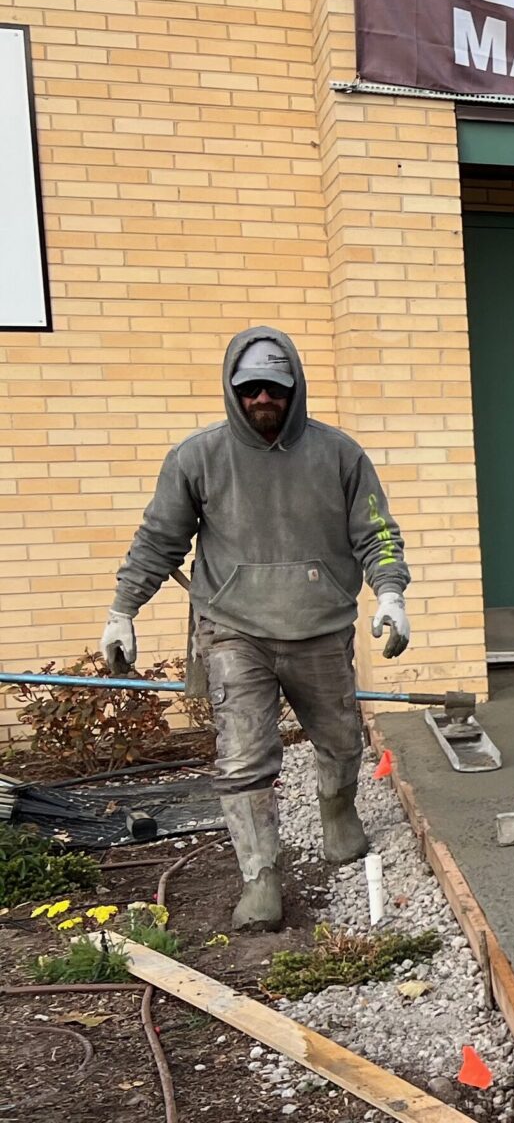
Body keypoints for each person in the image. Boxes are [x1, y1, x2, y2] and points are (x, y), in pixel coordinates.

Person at [103, 328, 411, 931]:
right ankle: (261, 878)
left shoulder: (339, 455)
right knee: (244, 758)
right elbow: (159, 540)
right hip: (234, 630)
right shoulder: (197, 458)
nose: (262, 398)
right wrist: (123, 611)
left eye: (274, 386)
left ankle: (338, 814)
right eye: (250, 388)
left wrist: (392, 594)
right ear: (232, 389)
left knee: (341, 739)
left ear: (294, 387)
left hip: (320, 626)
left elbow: (376, 531)